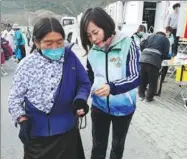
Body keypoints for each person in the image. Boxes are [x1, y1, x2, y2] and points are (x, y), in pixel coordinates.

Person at [8, 17, 91, 159]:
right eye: (48, 43)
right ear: (36, 42)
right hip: (37, 137)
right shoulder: (26, 65)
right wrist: (22, 119)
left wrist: (80, 100)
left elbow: (84, 83)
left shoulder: (70, 58)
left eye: (59, 42)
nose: (55, 48)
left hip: (67, 131)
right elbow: (14, 99)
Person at [80, 7, 140, 159]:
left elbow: (135, 76)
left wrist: (112, 87)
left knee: (117, 147)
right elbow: (89, 77)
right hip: (99, 106)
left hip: (123, 107)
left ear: (106, 25)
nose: (93, 39)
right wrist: (80, 100)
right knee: (98, 147)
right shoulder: (93, 51)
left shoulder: (128, 44)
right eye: (88, 35)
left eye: (95, 32)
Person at [138, 31, 170, 102]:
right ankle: (148, 98)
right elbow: (166, 52)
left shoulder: (150, 36)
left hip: (142, 58)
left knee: (142, 78)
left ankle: (141, 95)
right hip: (154, 60)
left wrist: (144, 51)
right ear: (164, 35)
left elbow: (142, 44)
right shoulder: (165, 39)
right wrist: (162, 57)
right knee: (153, 80)